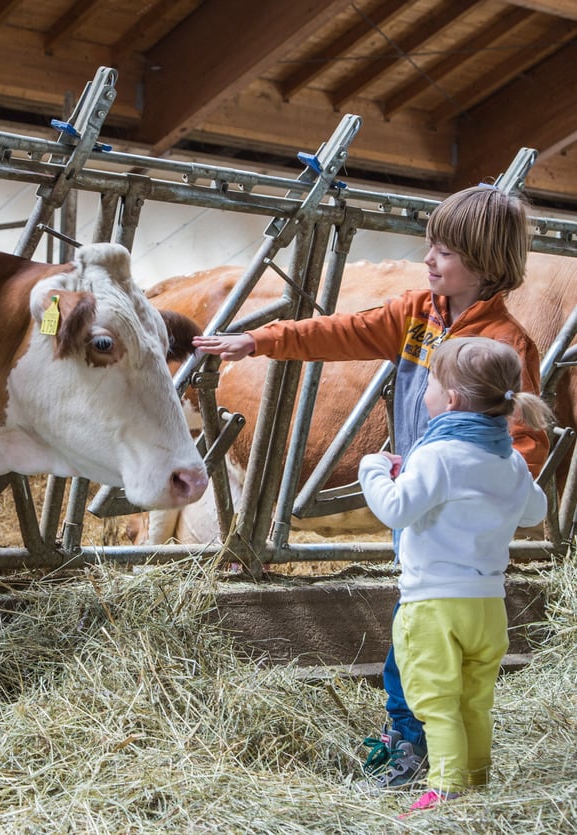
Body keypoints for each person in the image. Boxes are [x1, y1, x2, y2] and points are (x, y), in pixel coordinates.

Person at [192, 185, 551, 789]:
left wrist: (465, 492)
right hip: (420, 500)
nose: (429, 258)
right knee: (422, 629)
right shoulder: (418, 313)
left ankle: (412, 747)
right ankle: (443, 752)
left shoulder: (506, 344)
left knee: (418, 639)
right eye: (429, 245)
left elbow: (524, 445)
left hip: (451, 520)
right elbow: (342, 332)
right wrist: (260, 340)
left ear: (487, 263)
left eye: (445, 250)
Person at [357, 336, 551, 815]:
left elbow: (396, 510)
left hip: (434, 604)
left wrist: (374, 468)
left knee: (436, 700)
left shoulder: (437, 454)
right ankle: (478, 778)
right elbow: (535, 511)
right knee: (474, 699)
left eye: (431, 381)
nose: (424, 390)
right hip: (487, 606)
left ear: (450, 400)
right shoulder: (509, 459)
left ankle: (446, 788)